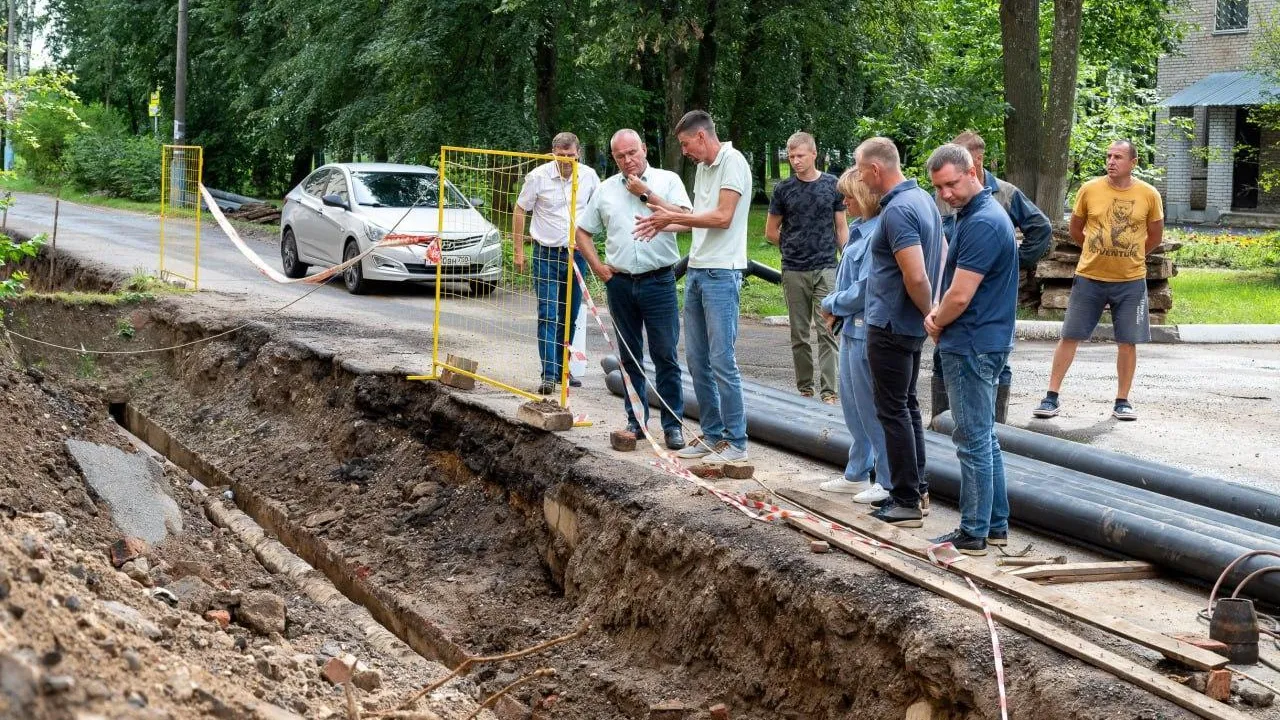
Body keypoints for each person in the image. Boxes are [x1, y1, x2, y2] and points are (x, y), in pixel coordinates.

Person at [634, 110, 752, 462]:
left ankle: (737, 443)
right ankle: (712, 434)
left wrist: (671, 215)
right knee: (698, 360)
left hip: (722, 272)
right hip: (699, 271)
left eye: (686, 144)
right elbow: (692, 220)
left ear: (702, 137)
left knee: (721, 360)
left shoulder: (733, 162)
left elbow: (721, 217)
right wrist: (656, 208)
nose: (684, 151)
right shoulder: (703, 168)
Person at [924, 143, 1019, 556]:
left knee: (972, 439)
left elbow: (960, 296)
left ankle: (973, 532)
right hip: (983, 339)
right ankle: (994, 524)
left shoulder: (982, 221)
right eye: (939, 188)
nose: (945, 194)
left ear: (971, 171)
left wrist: (935, 319)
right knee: (985, 437)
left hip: (972, 342)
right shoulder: (973, 214)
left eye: (950, 184)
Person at [575, 129, 692, 450]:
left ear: (644, 149)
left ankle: (673, 425)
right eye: (620, 157)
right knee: (629, 357)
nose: (628, 161)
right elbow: (582, 232)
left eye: (632, 153)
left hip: (659, 280)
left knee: (665, 353)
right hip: (621, 283)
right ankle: (636, 420)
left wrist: (647, 195)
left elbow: (686, 220)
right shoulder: (605, 190)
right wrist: (599, 268)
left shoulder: (667, 180)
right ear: (614, 158)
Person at [1033, 140, 1163, 422]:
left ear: (1133, 162)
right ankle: (1051, 396)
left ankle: (1122, 401)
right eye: (1109, 156)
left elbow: (1155, 236)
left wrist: (1131, 255)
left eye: (1118, 157)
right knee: (1070, 335)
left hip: (1130, 281)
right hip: (1090, 277)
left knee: (1128, 341)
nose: (1111, 161)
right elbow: (1076, 229)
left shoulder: (1149, 194)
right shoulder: (1089, 189)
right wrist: (1096, 250)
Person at [931, 131, 1053, 422]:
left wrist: (1014, 261)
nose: (945, 191)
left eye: (959, 157)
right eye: (941, 186)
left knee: (994, 362)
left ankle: (996, 426)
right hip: (956, 295)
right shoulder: (949, 197)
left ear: (976, 160)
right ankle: (942, 426)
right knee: (943, 360)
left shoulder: (1004, 195)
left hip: (990, 298)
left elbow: (1041, 228)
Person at [854, 137, 943, 528]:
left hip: (891, 324)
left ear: (876, 169)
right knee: (907, 406)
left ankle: (905, 499)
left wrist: (931, 313)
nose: (859, 178)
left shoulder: (897, 212)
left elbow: (916, 273)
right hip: (905, 324)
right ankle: (917, 490)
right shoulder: (923, 199)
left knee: (892, 410)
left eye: (860, 169)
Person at [818, 169, 892, 504]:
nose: (844, 202)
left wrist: (831, 302)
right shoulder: (861, 228)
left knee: (870, 407)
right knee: (851, 405)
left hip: (865, 327)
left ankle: (887, 479)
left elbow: (865, 287)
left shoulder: (879, 231)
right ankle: (857, 471)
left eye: (849, 196)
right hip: (850, 326)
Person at [513, 132, 601, 396]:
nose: (565, 161)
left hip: (577, 255)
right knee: (549, 313)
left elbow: (599, 209)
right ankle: (549, 374)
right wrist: (519, 251)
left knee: (570, 315)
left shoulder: (589, 176)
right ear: (552, 154)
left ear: (578, 154)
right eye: (560, 156)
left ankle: (564, 368)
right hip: (546, 254)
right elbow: (520, 209)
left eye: (570, 156)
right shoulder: (538, 177)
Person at [765, 132, 848, 404]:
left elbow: (841, 227)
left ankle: (829, 390)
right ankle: (805, 387)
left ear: (814, 154)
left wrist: (845, 258)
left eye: (800, 155)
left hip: (826, 265)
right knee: (799, 332)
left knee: (827, 328)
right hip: (794, 268)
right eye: (791, 157)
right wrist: (791, 247)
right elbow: (770, 231)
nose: (796, 161)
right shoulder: (783, 189)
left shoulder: (833, 185)